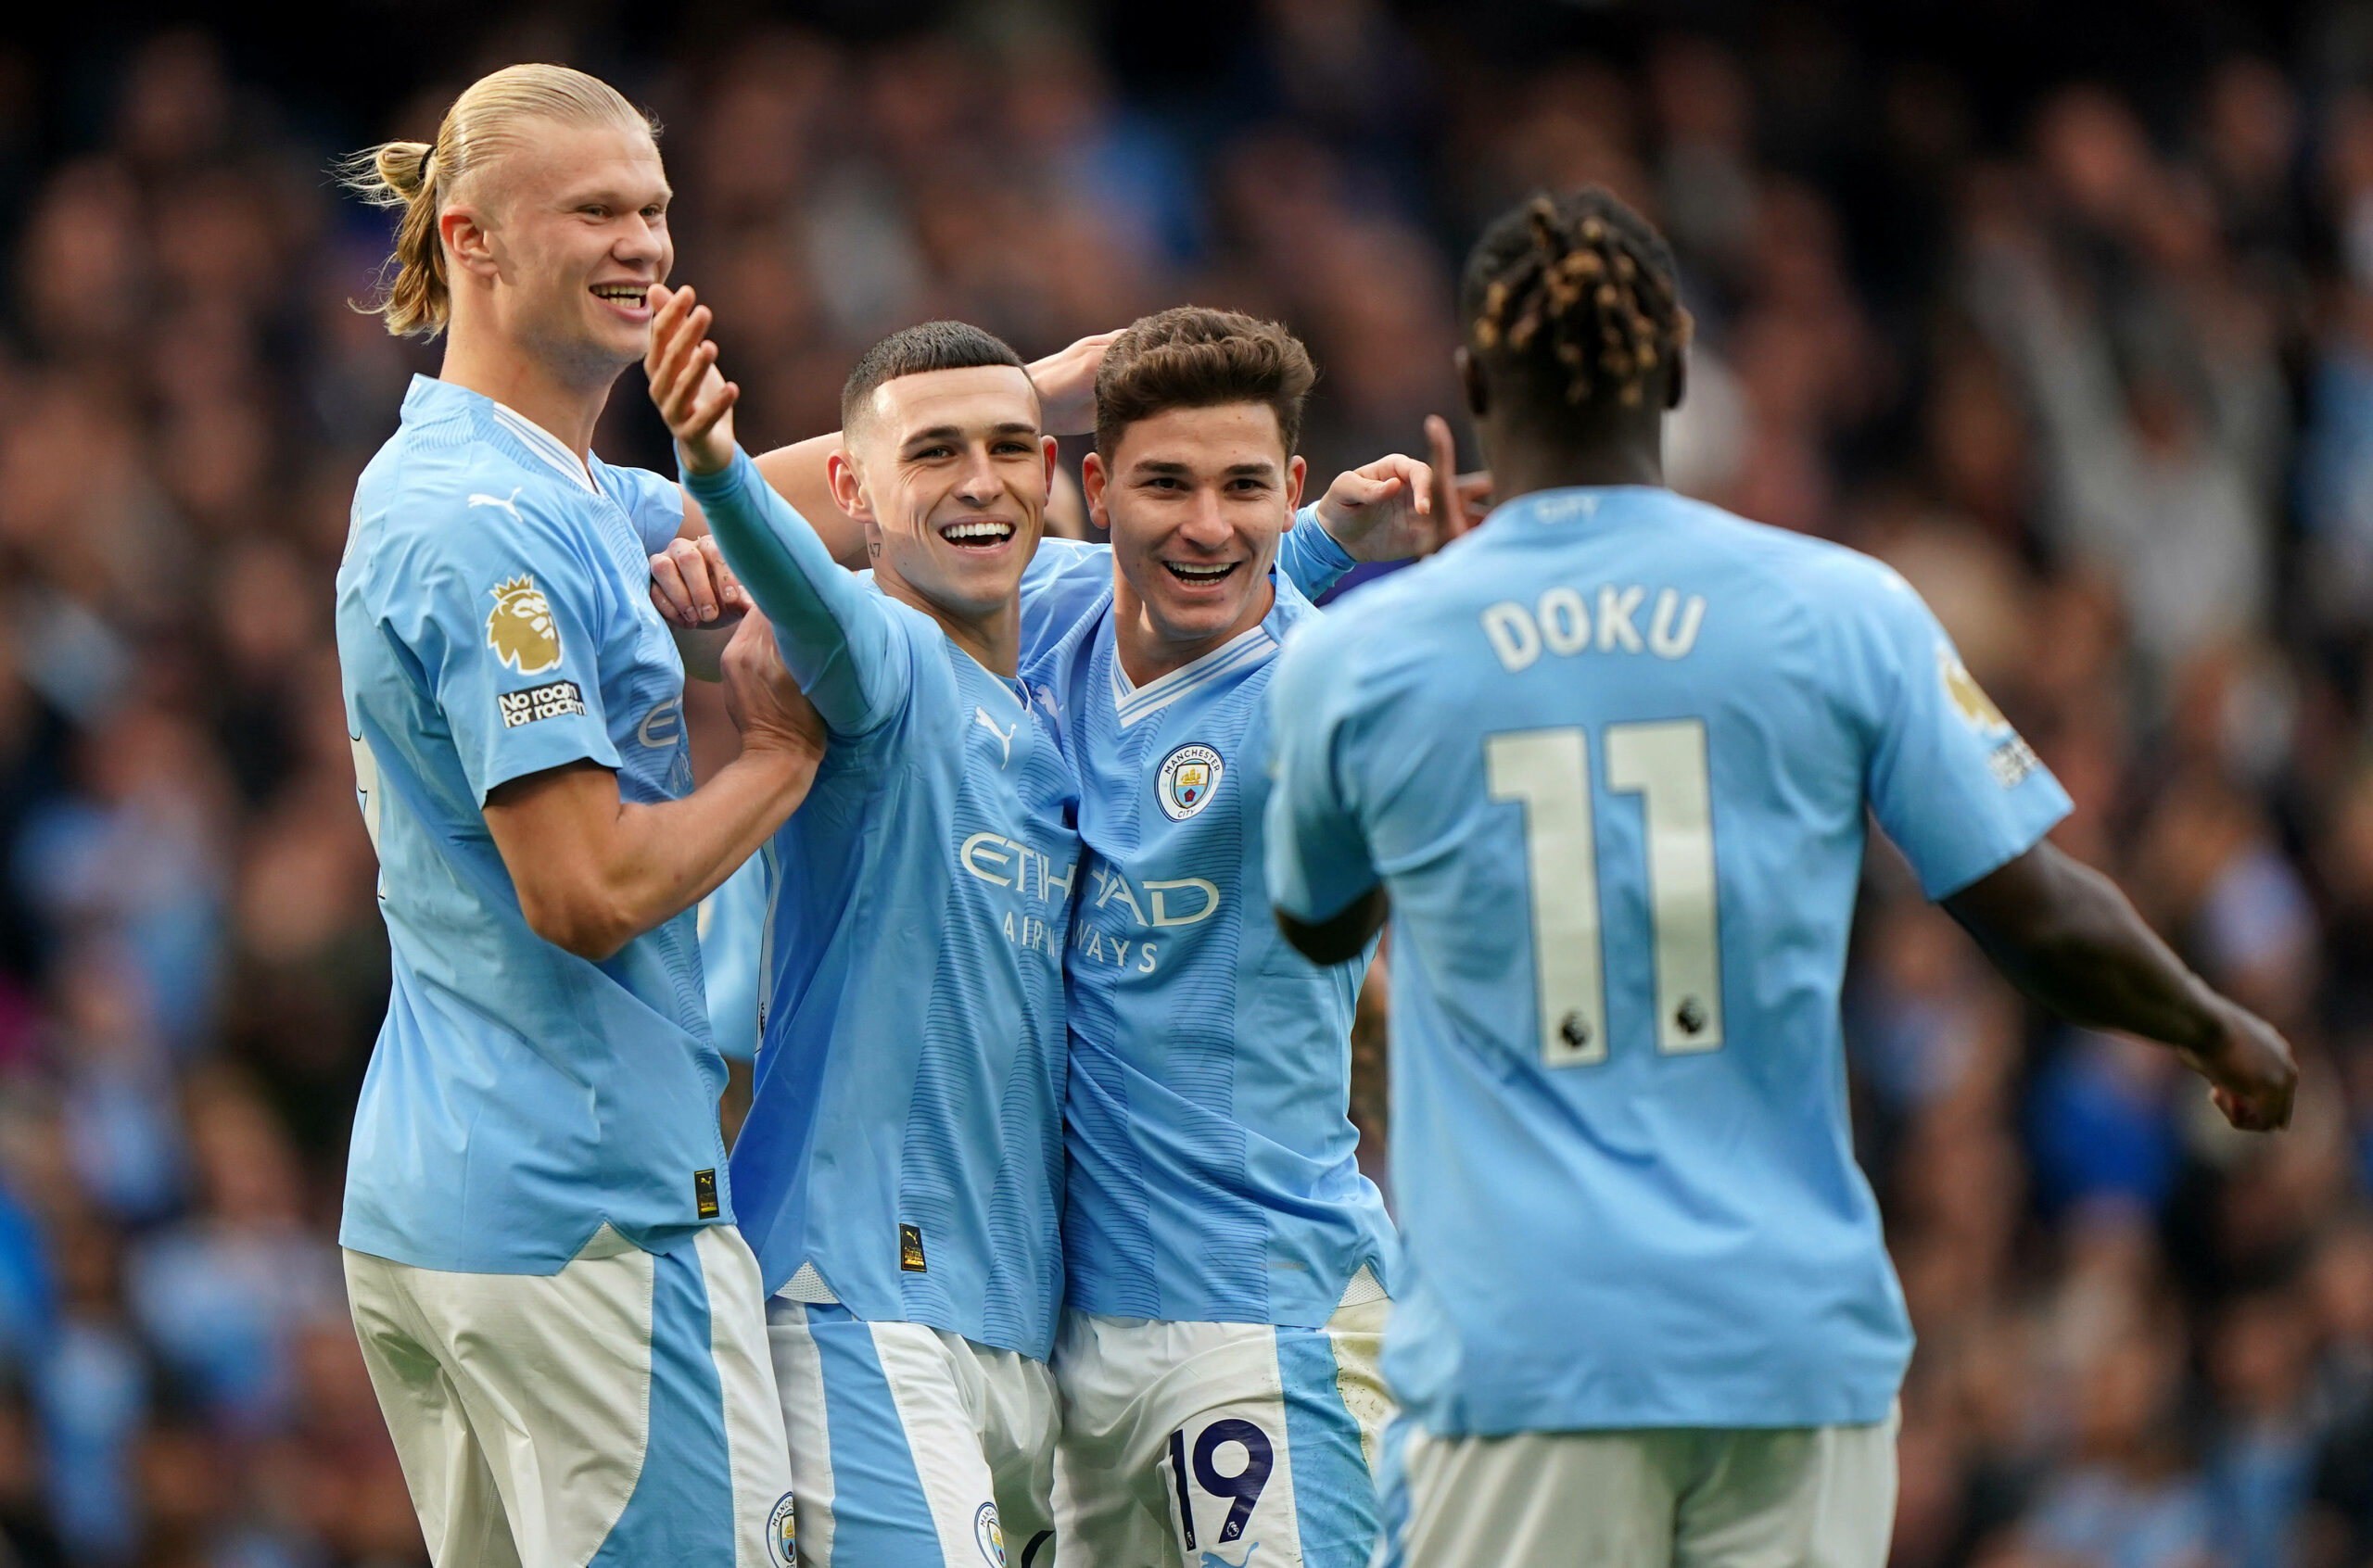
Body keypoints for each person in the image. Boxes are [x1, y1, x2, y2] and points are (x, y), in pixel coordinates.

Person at [1262, 185, 2300, 1568]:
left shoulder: (1369, 655)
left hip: (1528, 1356)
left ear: (1469, 382)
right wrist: (2210, 1023)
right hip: (1787, 1350)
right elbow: (2031, 906)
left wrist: (1455, 656)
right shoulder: (1842, 604)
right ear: (1683, 368)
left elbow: (1319, 917)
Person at [334, 65, 815, 1568]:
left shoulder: (517, 481)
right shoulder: (492, 530)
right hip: (590, 1214)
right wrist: (776, 761)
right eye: (598, 210)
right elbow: (586, 887)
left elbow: (795, 507)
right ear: (470, 239)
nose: (647, 245)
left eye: (658, 210)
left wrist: (1032, 400)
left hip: (452, 1201)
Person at [650, 296, 1085, 1568]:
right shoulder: (880, 651)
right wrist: (718, 475)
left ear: (1052, 471)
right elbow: (813, 602)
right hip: (859, 1295)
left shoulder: (1057, 726)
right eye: (933, 453)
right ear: (852, 488)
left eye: (1010, 448)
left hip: (1018, 1328)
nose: (980, 482)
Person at [1023, 309, 1447, 1568]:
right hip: (1071, 1350)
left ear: (1292, 491)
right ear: (1096, 489)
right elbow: (786, 527)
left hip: (1267, 1326)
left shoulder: (1329, 689)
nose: (1208, 523)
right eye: (1167, 483)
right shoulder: (1041, 614)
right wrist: (1028, 390)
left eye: (1245, 490)